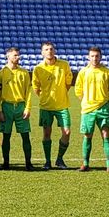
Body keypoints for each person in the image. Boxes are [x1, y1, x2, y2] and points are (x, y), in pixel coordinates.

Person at [74, 47, 109, 173]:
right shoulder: (83, 72)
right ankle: (86, 163)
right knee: (87, 135)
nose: (94, 58)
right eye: (92, 56)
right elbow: (78, 90)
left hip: (103, 108)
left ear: (101, 57)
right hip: (88, 109)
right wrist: (86, 101)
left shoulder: (107, 72)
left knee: (105, 134)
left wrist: (105, 101)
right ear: (88, 57)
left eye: (97, 56)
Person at [33, 41, 74, 170]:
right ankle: (47, 161)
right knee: (46, 133)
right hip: (46, 107)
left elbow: (68, 83)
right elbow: (36, 88)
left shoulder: (64, 65)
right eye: (46, 49)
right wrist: (45, 97)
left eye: (51, 49)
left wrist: (60, 94)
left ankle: (60, 159)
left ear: (54, 51)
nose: (49, 51)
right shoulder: (38, 68)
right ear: (42, 52)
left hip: (62, 106)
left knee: (66, 132)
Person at [0, 47, 35, 171]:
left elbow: (28, 92)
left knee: (25, 136)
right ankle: (6, 163)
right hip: (6, 107)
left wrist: (28, 108)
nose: (18, 57)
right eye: (15, 55)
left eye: (18, 55)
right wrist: (0, 110)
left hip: (20, 107)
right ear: (8, 56)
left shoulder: (24, 73)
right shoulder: (1, 73)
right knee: (6, 136)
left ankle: (28, 163)